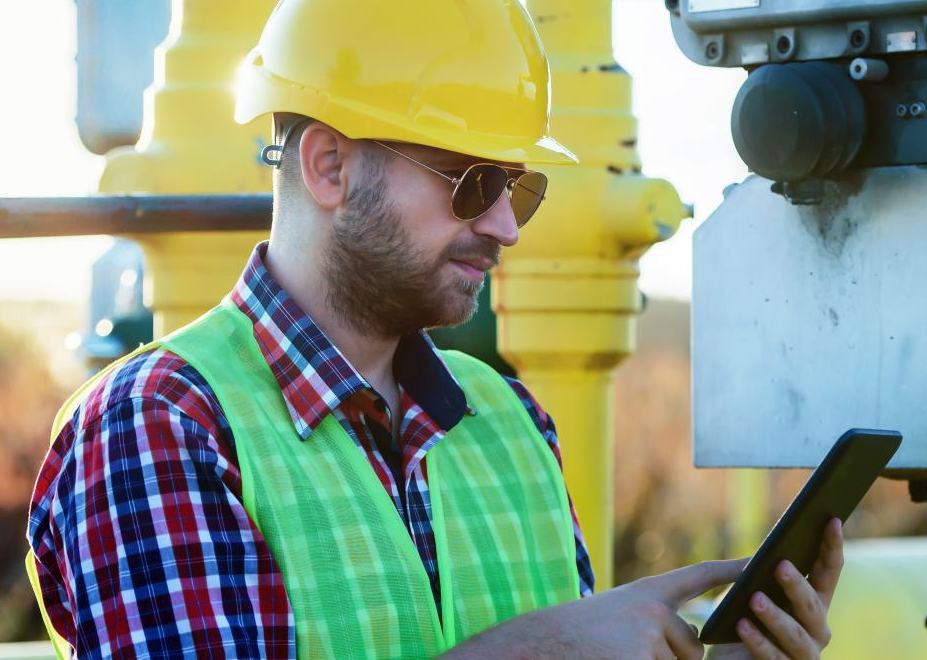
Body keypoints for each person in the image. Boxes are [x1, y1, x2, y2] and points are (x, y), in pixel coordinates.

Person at [27, 0, 844, 657]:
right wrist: (544, 648)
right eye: (473, 180)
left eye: (518, 189)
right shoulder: (159, 423)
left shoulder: (510, 420)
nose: (505, 226)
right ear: (327, 166)